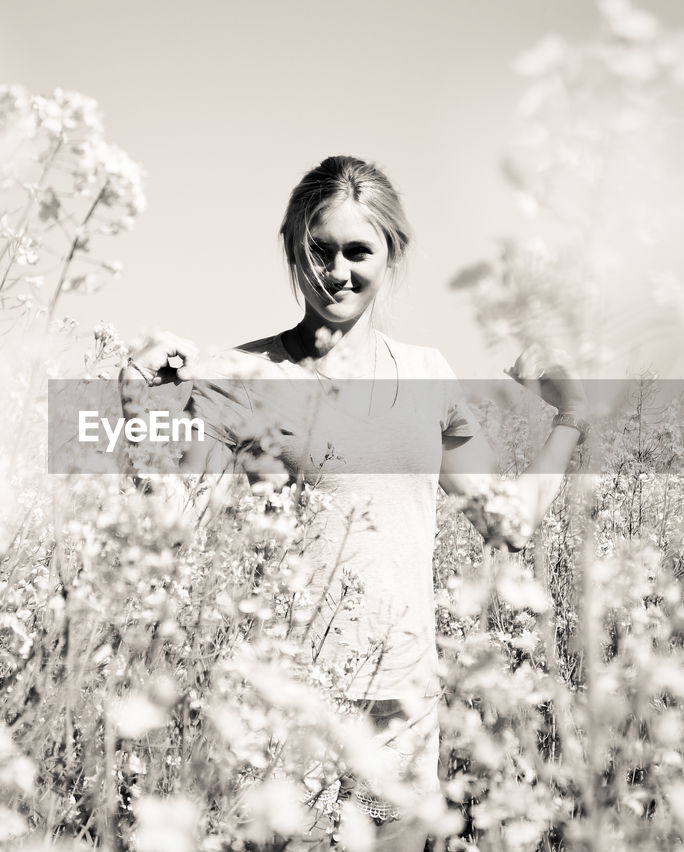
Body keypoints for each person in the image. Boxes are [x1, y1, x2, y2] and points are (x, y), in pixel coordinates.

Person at [122, 155, 588, 850]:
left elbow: (508, 523)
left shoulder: (429, 375)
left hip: (402, 709)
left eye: (357, 251)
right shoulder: (240, 376)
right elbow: (170, 524)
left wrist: (571, 419)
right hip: (284, 711)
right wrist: (136, 413)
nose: (336, 271)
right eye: (318, 249)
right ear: (291, 249)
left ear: (390, 254)